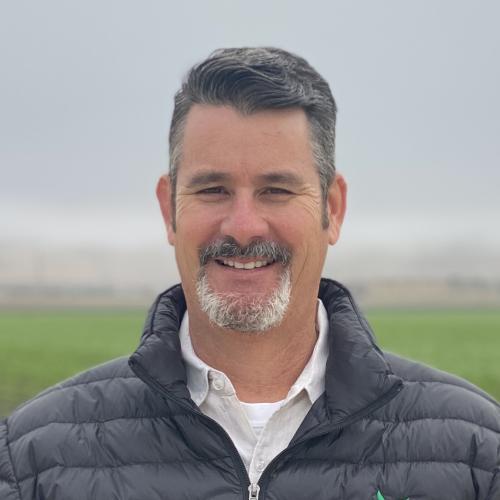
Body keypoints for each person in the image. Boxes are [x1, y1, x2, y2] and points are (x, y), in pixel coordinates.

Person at [1, 47, 499, 500]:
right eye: (212, 190)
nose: (242, 227)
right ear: (168, 209)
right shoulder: (34, 463)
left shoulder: (475, 454)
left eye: (276, 191)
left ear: (332, 208)